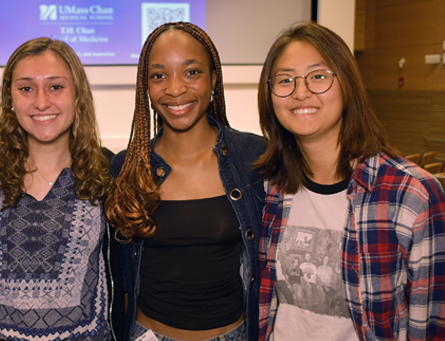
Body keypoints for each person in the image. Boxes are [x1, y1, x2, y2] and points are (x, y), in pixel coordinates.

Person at [256, 22, 445, 341]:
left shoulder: (412, 195)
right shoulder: (270, 188)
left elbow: (428, 323)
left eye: (318, 76)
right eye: (285, 80)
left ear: (347, 83)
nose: (300, 92)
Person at [105, 22, 266, 341]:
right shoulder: (127, 167)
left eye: (191, 72)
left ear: (213, 79)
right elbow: (120, 275)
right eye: (158, 75)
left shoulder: (254, 158)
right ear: (145, 87)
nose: (175, 89)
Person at [0, 37, 114, 341]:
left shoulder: (108, 171)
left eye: (56, 86)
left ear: (78, 94)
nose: (41, 102)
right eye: (26, 88)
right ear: (10, 97)